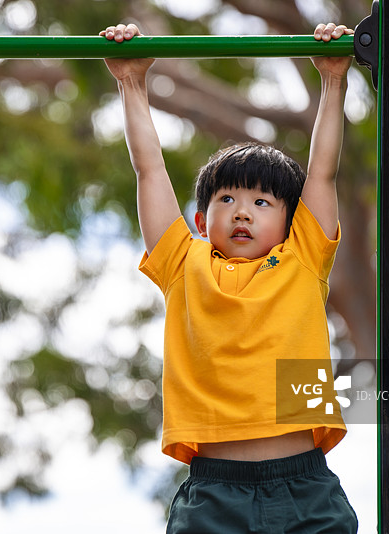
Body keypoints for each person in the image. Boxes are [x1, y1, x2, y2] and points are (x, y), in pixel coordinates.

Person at [100, 22, 359, 533]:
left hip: (304, 486)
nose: (243, 212)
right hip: (215, 491)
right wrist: (131, 82)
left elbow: (323, 171)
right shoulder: (183, 263)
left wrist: (333, 82)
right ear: (201, 221)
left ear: (290, 222)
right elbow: (149, 170)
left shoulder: (303, 256)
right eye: (227, 200)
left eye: (261, 202)